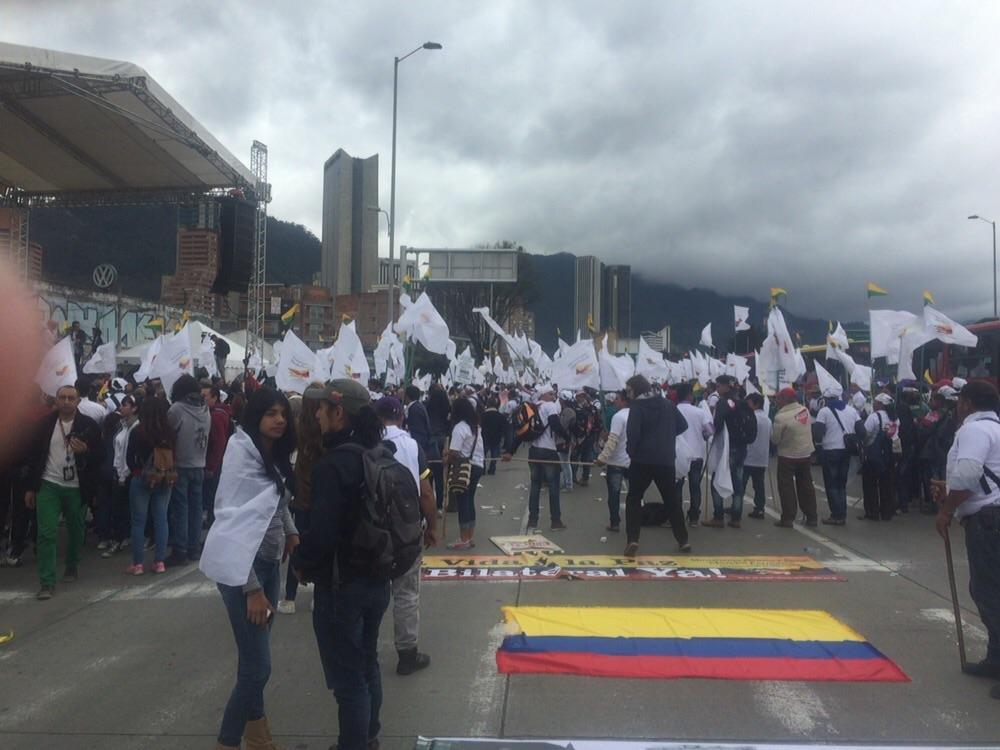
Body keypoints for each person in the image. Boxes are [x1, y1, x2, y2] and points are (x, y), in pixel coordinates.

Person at [292, 380, 391, 750]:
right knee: (367, 664)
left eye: (322, 408)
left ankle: (355, 744)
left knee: (349, 681)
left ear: (339, 412)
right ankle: (367, 737)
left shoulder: (333, 465)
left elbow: (321, 534)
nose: (316, 414)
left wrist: (300, 562)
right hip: (378, 578)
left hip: (341, 585)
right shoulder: (377, 452)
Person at [200, 387, 299, 749]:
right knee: (259, 667)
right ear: (256, 415)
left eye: (283, 414)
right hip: (245, 569)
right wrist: (251, 588)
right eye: (271, 413)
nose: (279, 420)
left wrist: (291, 532)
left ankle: (258, 736)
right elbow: (232, 522)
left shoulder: (272, 456)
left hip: (270, 563)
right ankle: (228, 740)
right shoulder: (241, 454)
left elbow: (277, 501)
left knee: (253, 659)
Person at [932, 380, 1000, 700]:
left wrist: (946, 509)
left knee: (990, 593)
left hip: (989, 521)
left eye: (960, 401)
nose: (957, 407)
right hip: (992, 515)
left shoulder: (974, 430)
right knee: (988, 591)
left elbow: (970, 475)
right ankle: (995, 658)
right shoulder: (995, 428)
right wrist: (949, 487)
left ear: (968, 403)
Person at [375, 395, 438, 676]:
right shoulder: (411, 445)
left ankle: (367, 650)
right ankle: (407, 654)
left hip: (372, 529)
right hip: (406, 529)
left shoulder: (365, 442)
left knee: (373, 590)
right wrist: (432, 526)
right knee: (406, 593)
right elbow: (425, 492)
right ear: (401, 417)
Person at [24, 384, 103, 599]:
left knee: (76, 529)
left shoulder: (88, 425)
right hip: (49, 483)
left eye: (71, 398)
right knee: (46, 533)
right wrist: (31, 488)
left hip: (76, 486)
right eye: (62, 397)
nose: (66, 401)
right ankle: (47, 582)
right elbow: (33, 458)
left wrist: (86, 451)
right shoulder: (45, 425)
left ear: (78, 401)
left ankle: (71, 564)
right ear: (56, 401)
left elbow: (101, 455)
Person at [623, 374, 690, 558]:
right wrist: (666, 437)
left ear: (636, 390)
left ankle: (633, 539)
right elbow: (683, 426)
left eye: (629, 391)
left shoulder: (637, 406)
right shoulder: (667, 404)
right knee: (672, 501)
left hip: (641, 460)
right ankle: (683, 540)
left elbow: (633, 433)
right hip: (666, 460)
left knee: (634, 499)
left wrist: (632, 451)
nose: (627, 394)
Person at [278, 390, 323, 616]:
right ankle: (317, 594)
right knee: (320, 545)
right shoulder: (326, 429)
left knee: (297, 543)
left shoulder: (295, 429)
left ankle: (289, 596)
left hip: (301, 498)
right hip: (321, 499)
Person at [503, 384, 569, 531]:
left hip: (534, 452)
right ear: (544, 395)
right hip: (549, 452)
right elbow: (555, 424)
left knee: (535, 485)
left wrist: (510, 451)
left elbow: (522, 433)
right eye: (551, 394)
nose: (554, 397)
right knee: (553, 486)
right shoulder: (549, 406)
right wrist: (567, 438)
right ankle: (556, 521)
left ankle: (533, 520)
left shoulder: (532, 408)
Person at [125, 396, 175, 575]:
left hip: (142, 478)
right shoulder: (169, 432)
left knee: (138, 521)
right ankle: (159, 562)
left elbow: (129, 457)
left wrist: (137, 472)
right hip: (164, 478)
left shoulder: (138, 431)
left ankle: (137, 564)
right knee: (161, 519)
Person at [165, 374, 210, 566]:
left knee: (180, 509)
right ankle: (194, 547)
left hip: (181, 465)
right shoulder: (206, 409)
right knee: (196, 509)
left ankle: (180, 550)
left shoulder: (177, 409)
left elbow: (168, 432)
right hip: (200, 463)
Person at [770, 387, 818, 528]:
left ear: (785, 400)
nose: (777, 401)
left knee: (786, 487)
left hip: (787, 456)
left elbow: (775, 440)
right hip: (805, 454)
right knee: (806, 486)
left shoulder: (780, 417)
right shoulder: (805, 411)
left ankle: (788, 518)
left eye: (779, 398)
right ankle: (811, 517)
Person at [704, 375, 747, 528]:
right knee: (738, 483)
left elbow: (718, 425)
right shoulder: (742, 401)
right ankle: (736, 518)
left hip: (726, 448)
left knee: (717, 479)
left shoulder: (723, 403)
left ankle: (718, 516)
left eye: (718, 386)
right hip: (741, 447)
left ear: (725, 386)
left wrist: (708, 433)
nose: (717, 389)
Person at [815, 385, 862, 526]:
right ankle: (842, 514)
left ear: (827, 398)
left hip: (830, 451)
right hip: (846, 451)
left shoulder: (824, 412)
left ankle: (836, 515)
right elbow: (863, 431)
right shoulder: (852, 410)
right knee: (841, 484)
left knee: (831, 485)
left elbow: (817, 434)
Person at [445, 396, 484, 550]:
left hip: (463, 468)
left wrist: (446, 457)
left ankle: (463, 538)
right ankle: (470, 536)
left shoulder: (460, 427)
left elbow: (454, 452)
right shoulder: (475, 426)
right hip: (477, 466)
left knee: (463, 502)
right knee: (469, 500)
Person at [675, 383, 714, 525]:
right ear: (690, 396)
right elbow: (710, 431)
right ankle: (694, 517)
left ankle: (676, 516)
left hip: (678, 456)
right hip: (696, 454)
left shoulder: (673, 410)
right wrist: (701, 435)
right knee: (695, 487)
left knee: (677, 486)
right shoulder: (699, 412)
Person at [594, 389, 629, 533]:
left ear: (623, 400)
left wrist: (602, 458)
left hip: (616, 463)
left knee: (614, 495)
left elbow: (612, 440)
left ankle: (614, 522)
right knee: (635, 496)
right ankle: (634, 523)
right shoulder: (638, 415)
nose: (615, 401)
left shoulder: (618, 416)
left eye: (618, 399)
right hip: (633, 462)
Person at [860, 393, 899, 521]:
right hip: (889, 456)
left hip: (873, 456)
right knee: (886, 486)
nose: (874, 404)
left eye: (876, 402)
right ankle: (887, 512)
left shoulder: (874, 417)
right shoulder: (895, 418)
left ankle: (872, 511)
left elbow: (865, 434)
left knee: (870, 485)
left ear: (880, 404)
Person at [203, 384, 233, 528]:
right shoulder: (220, 412)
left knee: (213, 496)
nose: (203, 400)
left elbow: (219, 443)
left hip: (217, 462)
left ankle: (213, 524)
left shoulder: (216, 415)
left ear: (215, 397)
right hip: (221, 461)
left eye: (205, 397)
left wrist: (211, 466)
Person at [742, 393, 772, 519]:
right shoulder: (768, 419)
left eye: (748, 403)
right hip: (762, 457)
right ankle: (760, 508)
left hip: (748, 457)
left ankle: (736, 507)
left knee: (740, 484)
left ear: (756, 404)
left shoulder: (751, 417)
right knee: (759, 485)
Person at [425, 384, 451, 511]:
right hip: (442, 438)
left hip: (430, 440)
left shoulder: (427, 408)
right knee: (440, 475)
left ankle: (429, 502)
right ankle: (439, 504)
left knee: (428, 473)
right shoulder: (446, 409)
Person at [481, 396, 506, 476]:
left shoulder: (483, 415)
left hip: (485, 437)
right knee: (494, 455)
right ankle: (492, 469)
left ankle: (483, 469)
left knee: (483, 455)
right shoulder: (500, 416)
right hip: (496, 437)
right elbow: (503, 428)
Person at [557, 391, 577, 491]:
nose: (559, 401)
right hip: (565, 440)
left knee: (565, 463)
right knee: (565, 463)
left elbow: (562, 426)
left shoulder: (567, 411)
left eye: (560, 399)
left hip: (565, 440)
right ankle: (567, 483)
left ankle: (568, 485)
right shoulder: (568, 410)